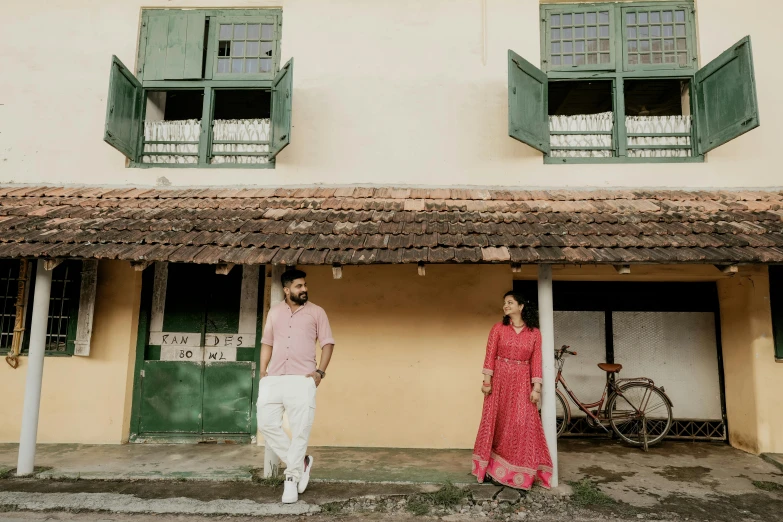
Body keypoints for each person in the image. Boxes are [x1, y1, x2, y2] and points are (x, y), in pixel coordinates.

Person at [258, 268, 335, 504]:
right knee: (266, 424)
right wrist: (263, 371)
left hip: (303, 379)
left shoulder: (316, 312)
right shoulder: (275, 312)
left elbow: (328, 343)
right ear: (287, 289)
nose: (304, 290)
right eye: (299, 286)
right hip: (274, 377)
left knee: (300, 430)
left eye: (305, 285)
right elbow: (267, 342)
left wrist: (320, 372)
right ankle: (301, 463)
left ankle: (291, 479)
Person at [471, 290, 553, 490]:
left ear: (521, 306)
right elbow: (489, 355)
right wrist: (487, 382)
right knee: (496, 423)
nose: (506, 306)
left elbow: (536, 361)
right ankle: (491, 469)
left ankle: (520, 473)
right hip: (499, 382)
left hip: (521, 384)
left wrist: (536, 388)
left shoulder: (534, 333)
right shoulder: (498, 329)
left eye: (510, 302)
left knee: (521, 424)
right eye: (505, 303)